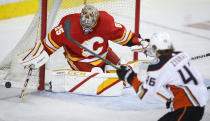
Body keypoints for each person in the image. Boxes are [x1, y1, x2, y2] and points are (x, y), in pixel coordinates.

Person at [116, 32, 208, 121]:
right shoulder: (182, 55)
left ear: (154, 47)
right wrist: (172, 100)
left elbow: (144, 93)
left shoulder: (158, 65)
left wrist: (129, 77)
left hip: (188, 108)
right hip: (199, 102)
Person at [41, 5, 149, 72]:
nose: (86, 28)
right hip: (80, 60)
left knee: (122, 67)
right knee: (96, 74)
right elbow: (49, 44)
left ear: (97, 20)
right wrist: (40, 54)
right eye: (84, 24)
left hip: (105, 54)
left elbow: (122, 36)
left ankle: (111, 68)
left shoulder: (106, 22)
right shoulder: (68, 25)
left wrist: (138, 41)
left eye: (90, 25)